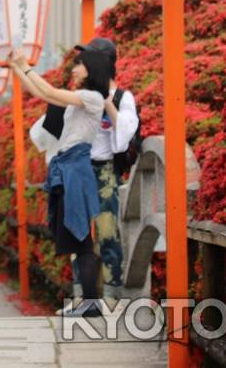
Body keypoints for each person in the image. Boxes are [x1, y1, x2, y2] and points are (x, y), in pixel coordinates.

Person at [9, 46, 112, 317]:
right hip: (68, 167)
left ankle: (91, 303)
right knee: (78, 241)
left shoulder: (92, 97)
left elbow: (51, 93)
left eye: (79, 64)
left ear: (92, 69)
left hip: (75, 169)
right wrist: (19, 69)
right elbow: (43, 93)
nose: (75, 69)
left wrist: (26, 66)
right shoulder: (83, 96)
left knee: (82, 240)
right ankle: (88, 302)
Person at [78, 38, 138, 302]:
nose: (81, 66)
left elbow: (124, 134)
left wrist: (106, 102)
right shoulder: (81, 94)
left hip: (104, 169)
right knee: (78, 230)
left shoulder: (124, 98)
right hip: (79, 166)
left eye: (86, 61)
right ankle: (82, 294)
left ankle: (112, 292)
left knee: (107, 229)